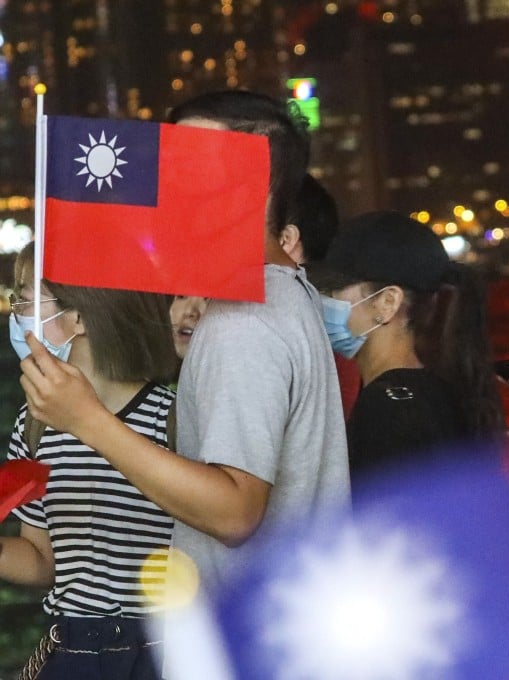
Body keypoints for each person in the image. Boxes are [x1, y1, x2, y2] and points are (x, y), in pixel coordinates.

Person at [19, 91, 350, 625]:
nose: (164, 180)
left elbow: (234, 512)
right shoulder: (287, 291)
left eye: (188, 160)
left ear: (255, 175)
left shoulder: (241, 320)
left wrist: (86, 419)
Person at [3, 243, 179, 679]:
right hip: (74, 651)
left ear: (79, 318)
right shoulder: (35, 422)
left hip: (162, 649)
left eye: (26, 297)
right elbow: (43, 562)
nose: (15, 310)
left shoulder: (173, 417)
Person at [306, 211, 504, 491]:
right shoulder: (433, 389)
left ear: (387, 302)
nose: (322, 301)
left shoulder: (386, 409)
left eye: (333, 290)